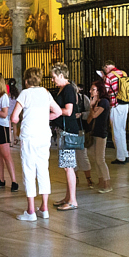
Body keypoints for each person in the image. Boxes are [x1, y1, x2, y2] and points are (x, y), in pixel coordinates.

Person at [12, 66, 62, 220]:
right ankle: (44, 209)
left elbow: (14, 117)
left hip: (29, 136)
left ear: (26, 80)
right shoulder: (45, 92)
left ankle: (31, 211)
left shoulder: (25, 94)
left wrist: (20, 123)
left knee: (28, 170)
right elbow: (58, 112)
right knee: (43, 169)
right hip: (43, 136)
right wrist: (44, 117)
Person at [50, 65, 83, 211]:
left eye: (54, 77)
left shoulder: (68, 89)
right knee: (67, 166)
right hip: (64, 130)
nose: (52, 80)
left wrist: (54, 112)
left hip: (68, 131)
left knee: (69, 166)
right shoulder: (63, 89)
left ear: (61, 75)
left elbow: (68, 111)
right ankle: (67, 197)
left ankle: (73, 201)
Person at [84, 80, 113, 193]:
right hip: (93, 132)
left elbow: (95, 115)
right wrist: (92, 107)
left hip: (101, 133)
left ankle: (107, 183)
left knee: (100, 158)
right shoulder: (96, 102)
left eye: (93, 89)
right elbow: (89, 119)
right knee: (94, 157)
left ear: (99, 90)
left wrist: (91, 107)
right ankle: (101, 180)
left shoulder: (104, 102)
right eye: (91, 89)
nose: (90, 91)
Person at [104, 61, 129, 164]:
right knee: (122, 130)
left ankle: (121, 157)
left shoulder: (109, 76)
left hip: (115, 104)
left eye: (105, 68)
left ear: (107, 66)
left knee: (116, 131)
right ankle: (125, 154)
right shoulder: (123, 73)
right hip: (125, 104)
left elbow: (105, 91)